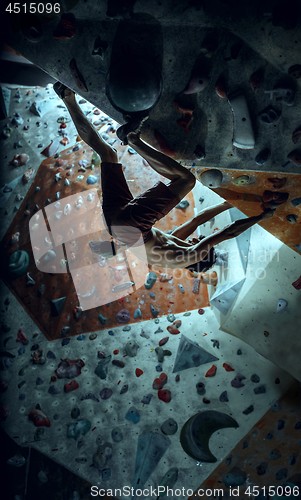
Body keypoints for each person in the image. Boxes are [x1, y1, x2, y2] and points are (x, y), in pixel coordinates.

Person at [53, 82, 274, 273]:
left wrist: (260, 218)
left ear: (201, 258)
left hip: (132, 228)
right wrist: (228, 203)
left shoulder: (190, 257)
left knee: (186, 181)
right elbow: (198, 219)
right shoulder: (174, 249)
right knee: (108, 155)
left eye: (203, 246)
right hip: (117, 224)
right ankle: (67, 97)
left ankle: (133, 139)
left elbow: (229, 232)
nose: (198, 241)